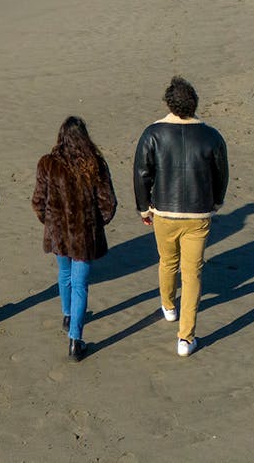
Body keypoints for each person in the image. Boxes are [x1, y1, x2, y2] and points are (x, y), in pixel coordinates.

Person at [134, 76, 228, 357]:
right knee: (192, 273)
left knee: (167, 261)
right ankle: (186, 337)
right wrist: (216, 201)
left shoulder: (153, 133)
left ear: (169, 103)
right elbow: (221, 174)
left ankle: (168, 306)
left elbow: (142, 173)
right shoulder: (212, 135)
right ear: (194, 103)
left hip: (164, 211)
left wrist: (144, 207)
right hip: (198, 214)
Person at [31, 116, 116, 361]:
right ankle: (75, 340)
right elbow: (108, 204)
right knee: (79, 284)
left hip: (59, 234)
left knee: (65, 274)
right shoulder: (95, 164)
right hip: (83, 237)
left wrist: (51, 222)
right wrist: (95, 225)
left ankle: (68, 315)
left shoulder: (47, 164)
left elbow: (38, 201)